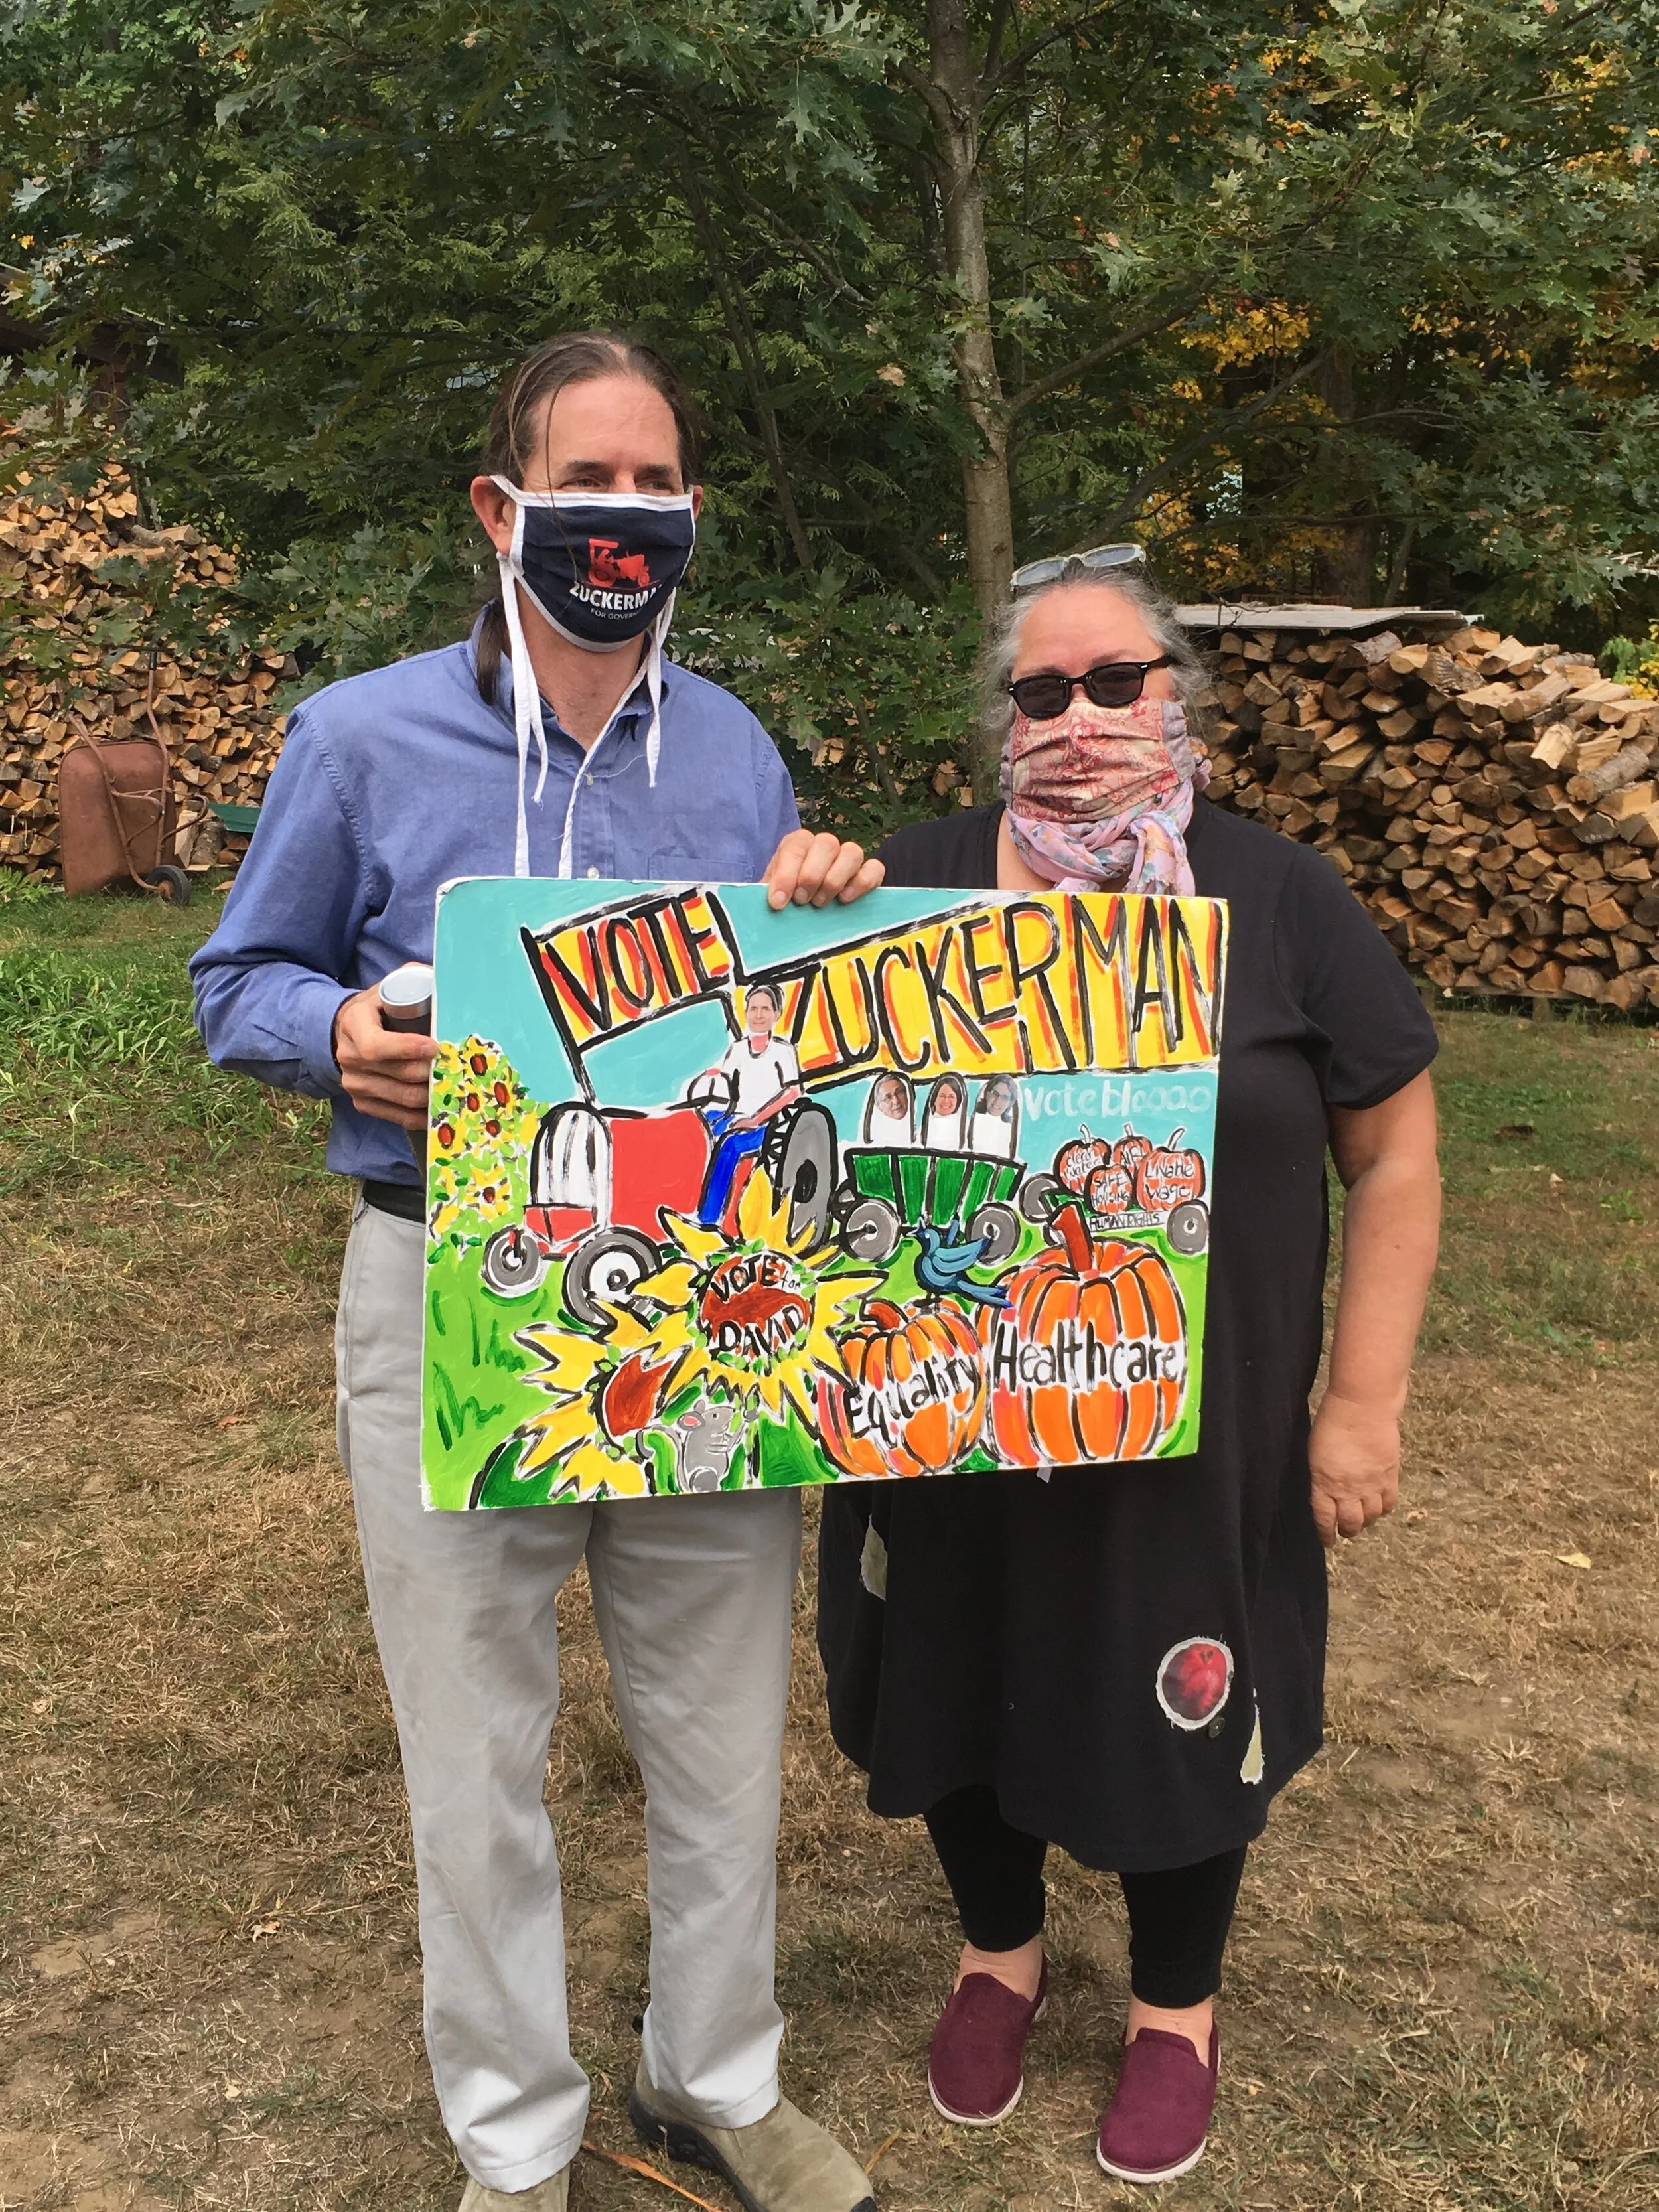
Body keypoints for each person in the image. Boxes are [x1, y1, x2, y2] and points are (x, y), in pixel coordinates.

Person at [192, 332, 885, 2212]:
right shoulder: (357, 734)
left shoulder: (734, 747)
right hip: (448, 1293)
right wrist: (336, 1032)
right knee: (474, 1737)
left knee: (720, 1720)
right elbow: (231, 981)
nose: (625, 521)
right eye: (590, 483)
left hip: (704, 1292)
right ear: (504, 509)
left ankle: (712, 2074)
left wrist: (827, 899)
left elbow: (788, 1025)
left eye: (656, 486)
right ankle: (517, 2135)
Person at [816, 553, 1441, 2186]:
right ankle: (999, 1950)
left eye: (1115, 681)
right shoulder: (911, 885)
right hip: (943, 1404)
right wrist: (794, 904)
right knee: (954, 1667)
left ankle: (1177, 2007)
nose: (1080, 718)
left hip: (1195, 1431)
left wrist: (1360, 1402)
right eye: (1041, 691)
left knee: (1183, 1690)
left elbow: (1397, 1155)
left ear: (1178, 692)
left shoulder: (1280, 897)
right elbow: (765, 1085)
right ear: (998, 720)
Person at [696, 982, 802, 1226]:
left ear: (776, 1014)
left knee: (730, 1146)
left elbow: (794, 1091)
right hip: (737, 1115)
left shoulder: (782, 1051)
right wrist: (710, 1076)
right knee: (697, 1131)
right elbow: (724, 1082)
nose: (759, 1015)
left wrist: (755, 1119)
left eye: (765, 1009)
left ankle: (709, 1220)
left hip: (770, 1126)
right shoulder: (737, 1049)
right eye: (753, 1009)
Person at [861, 1071, 914, 1146]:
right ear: (879, 1105)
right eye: (888, 1098)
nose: (896, 1101)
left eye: (899, 1093)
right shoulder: (876, 1143)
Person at [921, 1074, 966, 1151]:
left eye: (951, 1097)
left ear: (958, 1101)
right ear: (934, 1099)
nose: (946, 1101)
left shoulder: (966, 1129)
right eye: (942, 1096)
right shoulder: (919, 1131)